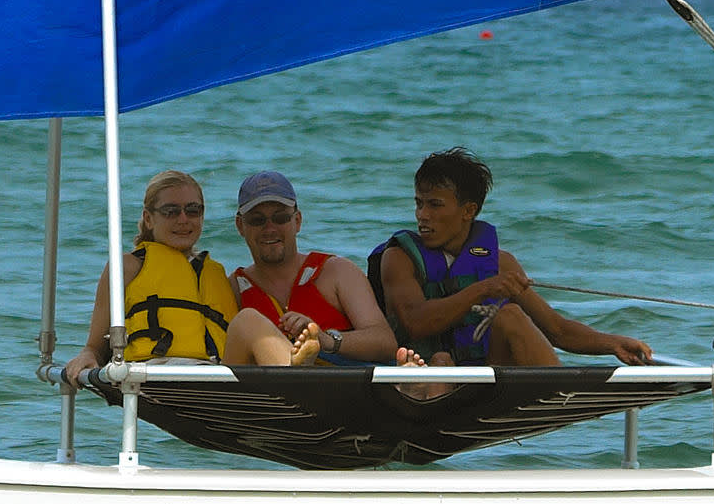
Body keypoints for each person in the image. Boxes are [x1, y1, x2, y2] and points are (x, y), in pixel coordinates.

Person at [372, 147, 653, 370]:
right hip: (424, 370)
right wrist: (483, 289)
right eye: (419, 203)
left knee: (510, 315)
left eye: (435, 205)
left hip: (484, 379)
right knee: (444, 358)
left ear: (468, 211)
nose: (423, 215)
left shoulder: (500, 263)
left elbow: (557, 330)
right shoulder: (399, 257)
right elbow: (415, 322)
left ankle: (558, 399)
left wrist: (612, 344)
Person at [62, 168, 237, 384]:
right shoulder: (126, 267)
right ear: (148, 218)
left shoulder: (218, 274)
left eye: (193, 210)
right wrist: (87, 356)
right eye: (171, 211)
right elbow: (95, 348)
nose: (183, 219)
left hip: (216, 376)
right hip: (154, 373)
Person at [217, 169, 401, 369]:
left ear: (297, 221)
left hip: (337, 386)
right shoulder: (234, 288)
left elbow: (385, 342)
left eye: (280, 218)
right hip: (270, 394)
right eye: (257, 220)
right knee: (247, 320)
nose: (270, 228)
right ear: (240, 226)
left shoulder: (336, 271)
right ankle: (293, 366)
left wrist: (324, 339)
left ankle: (297, 367)